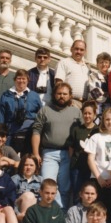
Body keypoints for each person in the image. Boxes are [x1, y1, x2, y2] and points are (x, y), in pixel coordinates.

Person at [31, 82, 81, 211]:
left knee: (64, 188)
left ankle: (61, 215)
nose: (62, 96)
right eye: (59, 93)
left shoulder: (76, 112)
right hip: (49, 153)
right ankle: (48, 213)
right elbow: (36, 132)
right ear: (54, 94)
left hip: (68, 154)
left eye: (65, 94)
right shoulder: (45, 110)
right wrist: (36, 153)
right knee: (47, 185)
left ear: (70, 96)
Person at [0, 69, 42, 153]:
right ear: (14, 80)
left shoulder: (34, 96)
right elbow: (0, 114)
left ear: (28, 80)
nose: (21, 81)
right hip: (11, 131)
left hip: (29, 133)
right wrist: (0, 132)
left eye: (24, 79)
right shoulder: (6, 95)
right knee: (8, 156)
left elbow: (41, 115)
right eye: (19, 78)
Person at [66, 99, 98, 201]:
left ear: (94, 115)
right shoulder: (77, 129)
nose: (87, 116)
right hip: (77, 167)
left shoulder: (98, 130)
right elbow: (71, 147)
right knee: (77, 193)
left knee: (91, 194)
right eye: (85, 113)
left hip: (92, 168)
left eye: (90, 113)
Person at [55, 38, 90, 106]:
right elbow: (58, 84)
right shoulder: (64, 62)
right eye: (76, 49)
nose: (78, 52)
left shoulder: (87, 67)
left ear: (85, 52)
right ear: (71, 49)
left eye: (81, 50)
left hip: (84, 104)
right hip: (70, 102)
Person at [11, 153, 43, 220]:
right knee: (29, 196)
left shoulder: (41, 181)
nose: (28, 167)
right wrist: (18, 214)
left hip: (36, 212)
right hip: (19, 211)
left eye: (31, 165)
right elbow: (11, 200)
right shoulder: (14, 179)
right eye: (26, 165)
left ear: (36, 167)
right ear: (22, 166)